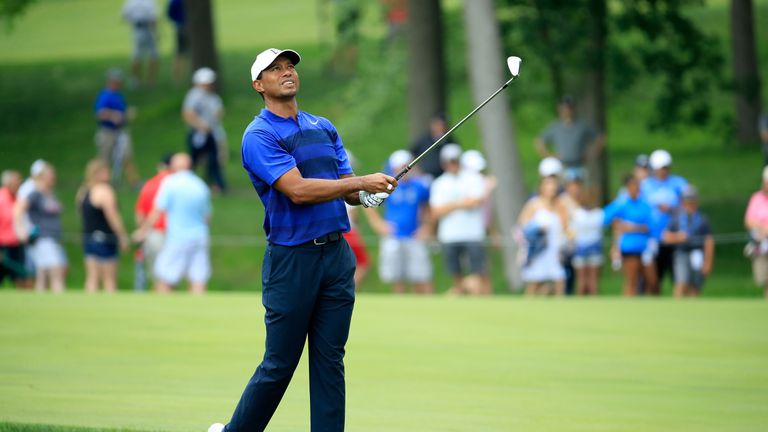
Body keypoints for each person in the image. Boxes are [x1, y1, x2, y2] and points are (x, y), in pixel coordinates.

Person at [208, 48, 397, 432]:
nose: (286, 72)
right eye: (274, 69)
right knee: (279, 365)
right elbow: (297, 190)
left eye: (290, 66)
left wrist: (368, 193)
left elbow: (345, 191)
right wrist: (360, 182)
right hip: (291, 259)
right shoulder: (258, 135)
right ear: (258, 85)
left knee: (330, 361)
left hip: (336, 256)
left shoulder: (323, 127)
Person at [133, 153, 212, 294]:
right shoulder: (200, 184)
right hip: (200, 236)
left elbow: (157, 210)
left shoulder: (170, 183)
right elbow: (207, 216)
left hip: (178, 237)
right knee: (198, 279)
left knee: (165, 277)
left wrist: (143, 231)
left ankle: (160, 311)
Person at [430, 144, 492, 295]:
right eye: (448, 161)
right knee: (455, 273)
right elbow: (437, 211)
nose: (452, 164)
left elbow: (476, 201)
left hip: (473, 234)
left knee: (479, 271)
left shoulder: (473, 178)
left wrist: (450, 205)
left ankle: (481, 300)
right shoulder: (439, 183)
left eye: (454, 161)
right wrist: (462, 203)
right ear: (443, 163)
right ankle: (460, 299)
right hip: (450, 235)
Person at [369, 150, 433, 294]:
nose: (404, 170)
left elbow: (427, 208)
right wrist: (378, 224)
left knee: (420, 276)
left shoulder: (420, 186)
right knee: (396, 278)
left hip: (414, 236)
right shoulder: (387, 186)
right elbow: (369, 205)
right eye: (400, 167)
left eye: (406, 166)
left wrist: (427, 227)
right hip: (393, 236)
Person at [77, 160, 130, 293]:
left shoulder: (83, 192)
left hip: (88, 237)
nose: (109, 174)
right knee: (109, 278)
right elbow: (113, 216)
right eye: (106, 171)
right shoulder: (105, 191)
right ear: (98, 173)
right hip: (105, 238)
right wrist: (122, 236)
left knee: (92, 276)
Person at [13, 162, 67, 293]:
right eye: (50, 176)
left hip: (51, 237)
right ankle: (60, 299)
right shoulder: (34, 193)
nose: (53, 178)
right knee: (56, 269)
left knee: (42, 272)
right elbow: (18, 210)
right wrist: (21, 230)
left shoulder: (48, 193)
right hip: (42, 237)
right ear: (42, 177)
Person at [641, 149, 688, 293]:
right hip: (652, 238)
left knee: (679, 279)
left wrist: (673, 208)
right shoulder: (645, 185)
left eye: (666, 168)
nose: (663, 171)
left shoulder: (678, 183)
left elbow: (689, 204)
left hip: (675, 237)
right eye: (661, 168)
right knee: (653, 281)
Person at [604, 174, 656, 297]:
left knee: (652, 281)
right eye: (632, 185)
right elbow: (605, 217)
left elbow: (650, 226)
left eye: (637, 185)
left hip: (645, 248)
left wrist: (632, 227)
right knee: (632, 281)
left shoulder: (644, 205)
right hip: (629, 248)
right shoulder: (622, 203)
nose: (635, 188)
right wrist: (618, 225)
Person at [517, 176, 568, 296]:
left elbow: (565, 226)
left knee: (559, 280)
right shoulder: (534, 204)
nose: (551, 187)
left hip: (554, 249)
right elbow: (522, 224)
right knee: (534, 282)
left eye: (553, 185)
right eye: (548, 184)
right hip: (539, 249)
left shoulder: (560, 205)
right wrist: (537, 228)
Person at [535, 96, 604, 181]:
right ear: (560, 109)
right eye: (564, 108)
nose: (567, 111)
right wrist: (550, 156)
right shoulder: (555, 126)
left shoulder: (582, 125)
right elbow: (539, 142)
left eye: (569, 108)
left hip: (579, 165)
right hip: (561, 166)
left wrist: (591, 154)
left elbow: (599, 138)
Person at [662, 186, 714, 298]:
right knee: (681, 283)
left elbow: (708, 241)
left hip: (698, 254)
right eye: (687, 200)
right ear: (683, 202)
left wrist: (708, 262)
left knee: (695, 286)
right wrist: (678, 237)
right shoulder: (676, 218)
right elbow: (665, 236)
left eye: (692, 200)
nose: (690, 203)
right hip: (681, 253)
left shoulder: (702, 219)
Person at [183, 67, 228, 193]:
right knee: (195, 159)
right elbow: (188, 114)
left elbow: (219, 111)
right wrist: (200, 125)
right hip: (198, 133)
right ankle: (187, 181)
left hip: (211, 133)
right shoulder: (194, 95)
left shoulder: (212, 96)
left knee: (214, 159)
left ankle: (218, 184)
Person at [94, 69, 140, 186]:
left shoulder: (118, 95)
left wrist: (126, 114)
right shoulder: (105, 95)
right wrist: (114, 115)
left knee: (126, 156)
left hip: (120, 130)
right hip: (108, 131)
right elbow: (101, 113)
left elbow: (122, 112)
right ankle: (101, 182)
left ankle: (134, 182)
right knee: (104, 158)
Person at [134, 154, 172, 290]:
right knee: (170, 276)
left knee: (158, 276)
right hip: (174, 233)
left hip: (155, 233)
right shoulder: (176, 182)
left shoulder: (150, 185)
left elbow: (140, 213)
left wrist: (143, 230)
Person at [565, 175, 604, 296]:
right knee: (592, 281)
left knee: (582, 280)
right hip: (593, 246)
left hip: (581, 246)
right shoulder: (599, 214)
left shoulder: (577, 214)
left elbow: (570, 232)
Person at [0, 170, 29, 288]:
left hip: (16, 245)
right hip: (2, 246)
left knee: (20, 278)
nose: (20, 184)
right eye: (18, 181)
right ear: (9, 183)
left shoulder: (19, 198)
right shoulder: (1, 199)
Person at [122, 0, 158, 86]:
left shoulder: (130, 2)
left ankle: (136, 80)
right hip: (148, 29)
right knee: (152, 55)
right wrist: (156, 32)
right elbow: (154, 18)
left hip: (137, 30)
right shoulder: (149, 2)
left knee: (137, 56)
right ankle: (150, 81)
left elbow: (124, 16)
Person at [744, 166, 768, 298]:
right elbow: (748, 220)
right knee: (762, 279)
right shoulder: (757, 198)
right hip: (760, 244)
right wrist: (762, 228)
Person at [410, 113, 454, 181]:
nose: (440, 128)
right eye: (437, 125)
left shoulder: (450, 141)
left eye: (442, 125)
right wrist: (418, 173)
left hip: (445, 178)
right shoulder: (423, 140)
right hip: (425, 178)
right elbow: (411, 155)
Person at [166, 0, 188, 83]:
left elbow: (170, 14)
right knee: (180, 54)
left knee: (180, 54)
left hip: (180, 27)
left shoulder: (174, 1)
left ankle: (178, 79)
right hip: (183, 27)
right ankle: (178, 78)